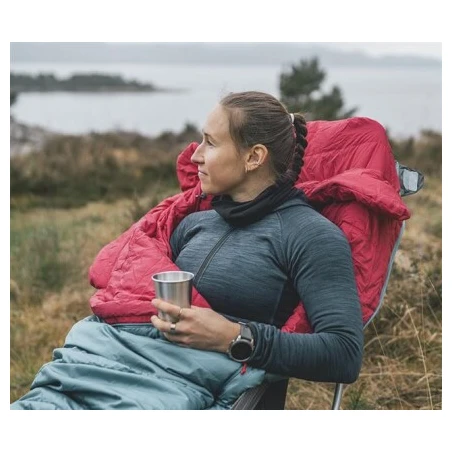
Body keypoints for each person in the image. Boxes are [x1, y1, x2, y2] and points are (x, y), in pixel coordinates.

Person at [11, 91, 365, 410]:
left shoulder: (310, 236)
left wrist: (234, 337)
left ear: (254, 157)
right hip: (96, 367)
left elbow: (344, 354)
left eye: (211, 143)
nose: (195, 155)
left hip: (174, 390)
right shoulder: (195, 223)